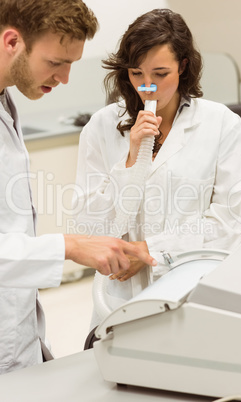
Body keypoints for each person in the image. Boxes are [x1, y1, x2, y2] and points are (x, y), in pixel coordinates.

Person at [0, 0, 156, 374]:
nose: (65, 78)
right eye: (56, 63)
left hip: (19, 333)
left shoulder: (6, 100)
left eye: (72, 64)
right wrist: (69, 246)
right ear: (11, 42)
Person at [73, 9, 241, 343]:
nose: (147, 86)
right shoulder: (101, 127)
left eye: (160, 73)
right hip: (116, 300)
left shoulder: (221, 123)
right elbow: (87, 226)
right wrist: (130, 157)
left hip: (189, 290)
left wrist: (149, 249)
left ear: (183, 66)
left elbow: (227, 225)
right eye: (137, 73)